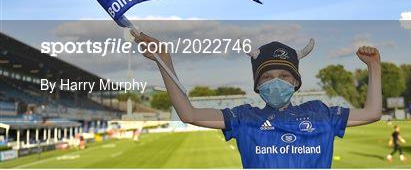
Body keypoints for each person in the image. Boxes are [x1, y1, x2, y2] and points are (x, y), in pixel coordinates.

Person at [132, 32, 382, 168]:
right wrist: (163, 61)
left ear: (296, 82)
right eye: (268, 77)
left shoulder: (320, 113)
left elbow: (372, 112)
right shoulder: (243, 117)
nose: (276, 82)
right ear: (258, 85)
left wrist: (373, 66)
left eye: (284, 75)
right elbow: (190, 114)